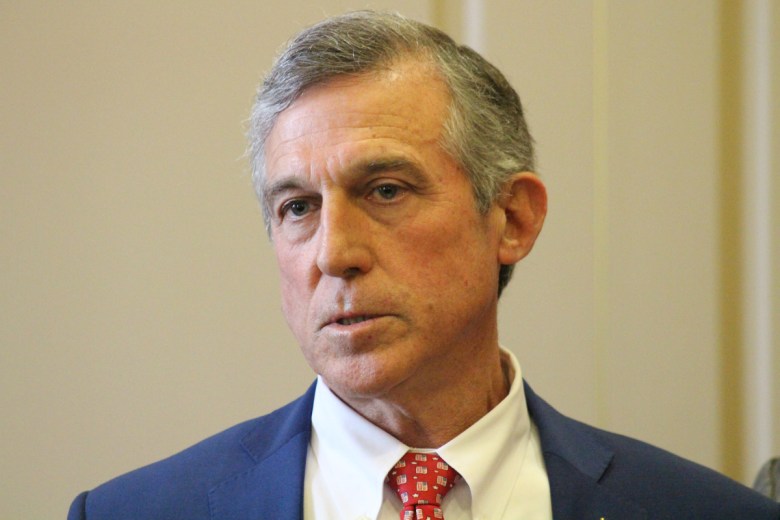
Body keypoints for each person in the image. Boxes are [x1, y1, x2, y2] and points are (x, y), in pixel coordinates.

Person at [68, 11, 780, 520]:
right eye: (297, 207)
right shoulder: (133, 512)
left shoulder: (701, 510)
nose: (334, 254)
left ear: (514, 219)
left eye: (385, 190)